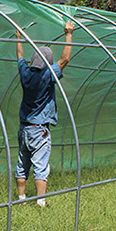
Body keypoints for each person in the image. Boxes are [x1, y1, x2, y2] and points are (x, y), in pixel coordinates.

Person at [14, 20, 75, 206]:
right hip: (39, 130)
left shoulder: (25, 73)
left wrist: (19, 39)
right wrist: (68, 34)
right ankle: (41, 202)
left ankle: (21, 199)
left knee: (22, 164)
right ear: (48, 62)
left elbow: (19, 57)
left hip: (24, 129)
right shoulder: (47, 75)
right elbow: (65, 60)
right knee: (41, 166)